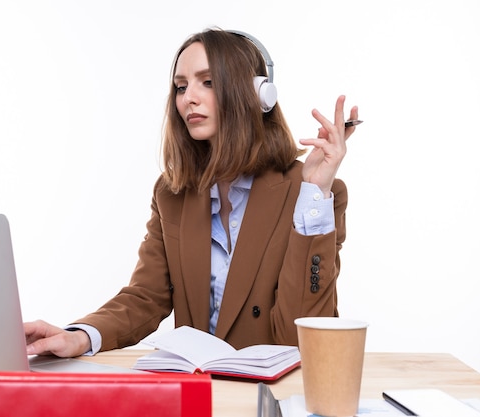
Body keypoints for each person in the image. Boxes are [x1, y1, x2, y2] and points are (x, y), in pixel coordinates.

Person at [25, 27, 359, 358]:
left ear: (259, 94)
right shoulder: (172, 194)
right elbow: (147, 296)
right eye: (181, 87)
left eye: (208, 82)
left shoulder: (312, 195)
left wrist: (314, 194)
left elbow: (301, 336)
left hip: (272, 394)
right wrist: (80, 336)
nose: (188, 98)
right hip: (198, 391)